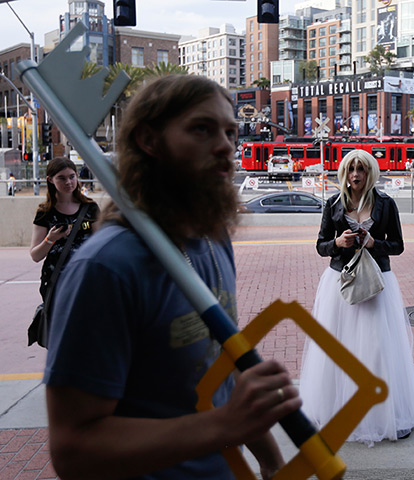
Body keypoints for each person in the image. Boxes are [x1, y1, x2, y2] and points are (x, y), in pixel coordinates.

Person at [44, 75, 299, 479]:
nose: (226, 146)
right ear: (149, 140)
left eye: (231, 132)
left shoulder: (214, 239)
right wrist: (224, 425)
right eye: (202, 129)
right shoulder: (106, 268)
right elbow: (73, 450)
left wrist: (269, 459)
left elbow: (224, 361)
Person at [299, 149, 414, 446]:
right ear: (344, 172)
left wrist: (373, 242)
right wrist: (338, 243)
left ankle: (385, 415)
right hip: (339, 283)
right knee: (338, 346)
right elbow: (320, 246)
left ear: (370, 172)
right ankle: (335, 409)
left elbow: (397, 246)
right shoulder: (332, 204)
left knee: (379, 347)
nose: (356, 175)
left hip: (376, 283)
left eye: (362, 169)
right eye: (351, 169)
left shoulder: (385, 204)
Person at [30, 157, 99, 302]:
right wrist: (50, 239)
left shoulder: (90, 208)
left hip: (87, 277)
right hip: (57, 280)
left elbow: (101, 243)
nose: (68, 182)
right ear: (50, 180)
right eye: (61, 178)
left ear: (77, 176)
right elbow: (35, 255)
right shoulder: (45, 212)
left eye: (71, 177)